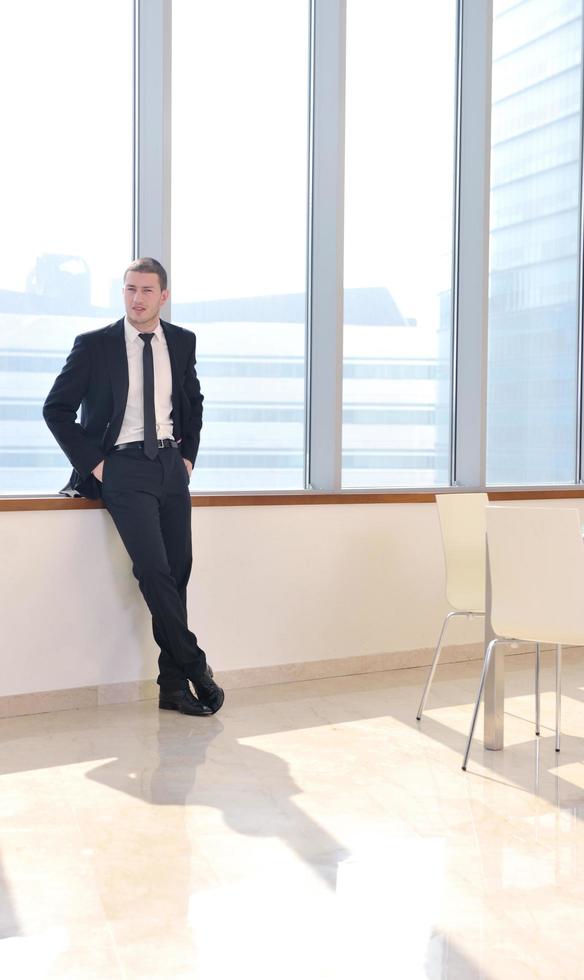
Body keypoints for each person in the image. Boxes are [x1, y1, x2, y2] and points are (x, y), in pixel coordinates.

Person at [43, 257, 224, 717]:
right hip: (122, 468)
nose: (137, 299)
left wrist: (187, 459)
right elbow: (56, 409)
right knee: (153, 571)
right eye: (129, 290)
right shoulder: (95, 346)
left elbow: (193, 402)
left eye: (146, 291)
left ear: (164, 296)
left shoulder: (182, 342)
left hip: (169, 465)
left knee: (178, 570)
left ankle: (173, 688)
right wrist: (97, 467)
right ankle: (195, 664)